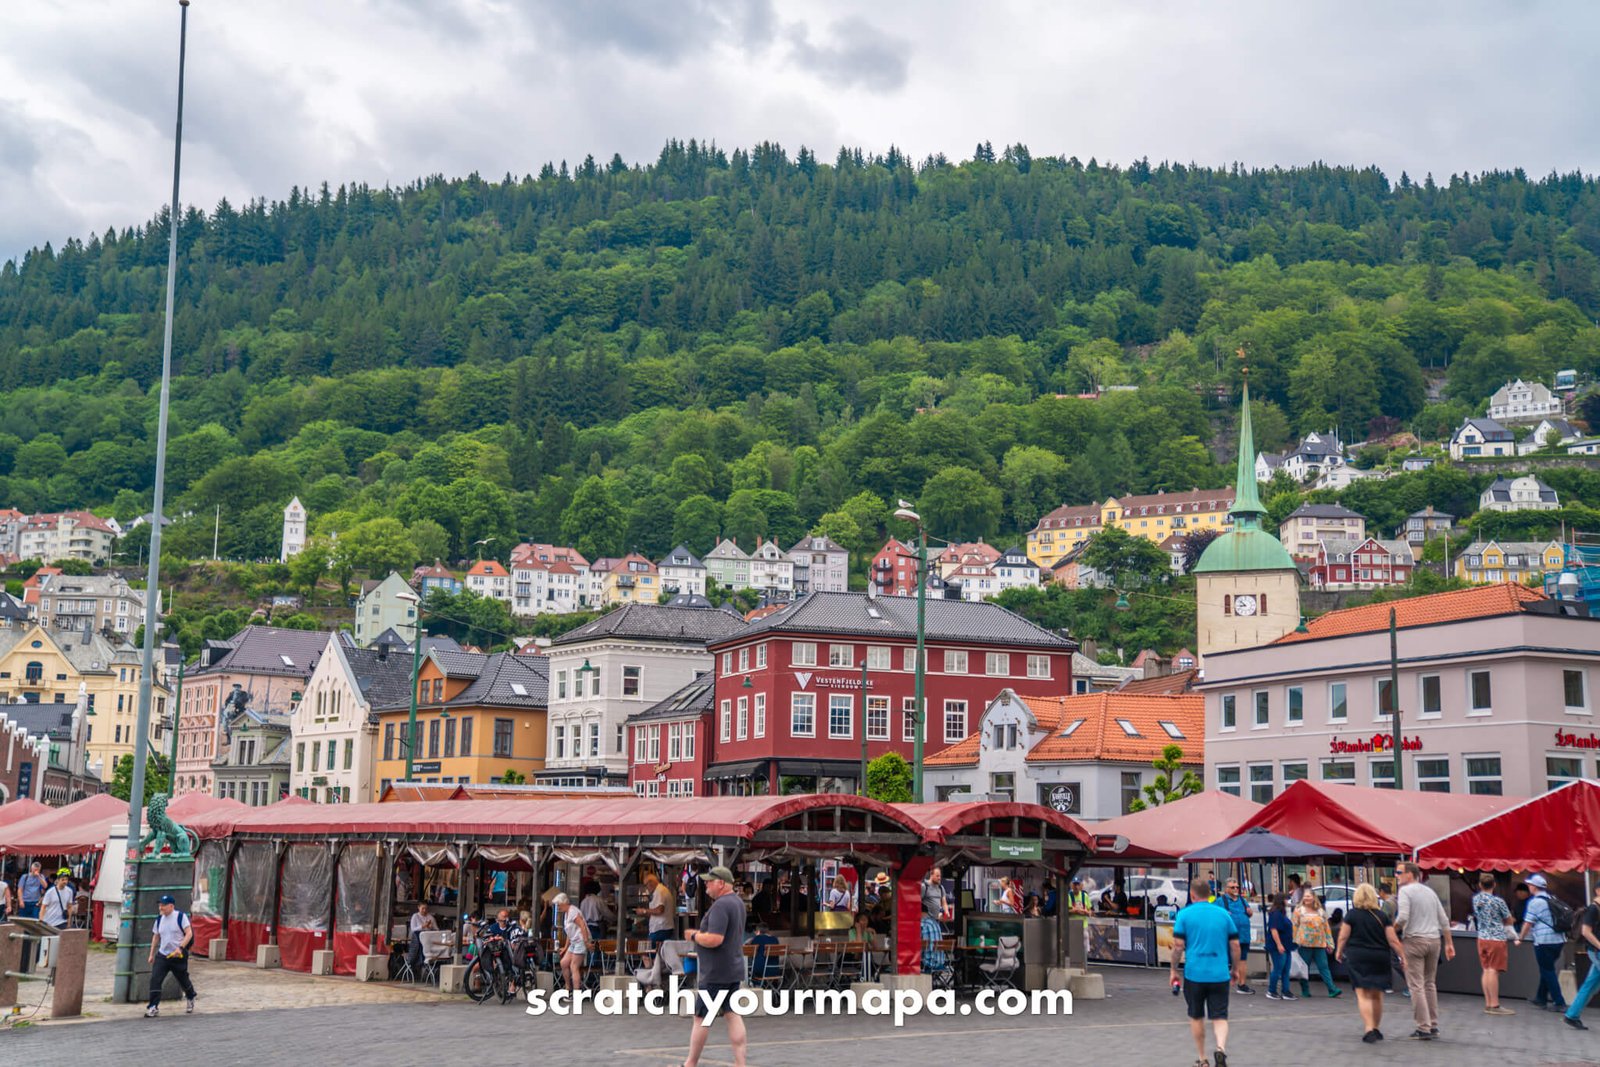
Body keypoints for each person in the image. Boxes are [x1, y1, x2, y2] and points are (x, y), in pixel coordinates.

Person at [682, 866, 748, 1067]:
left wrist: (694, 935)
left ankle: (690, 1063)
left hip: (716, 972)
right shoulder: (738, 903)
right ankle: (740, 1063)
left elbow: (715, 939)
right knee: (732, 1013)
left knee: (702, 1017)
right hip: (732, 968)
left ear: (721, 883)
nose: (706, 884)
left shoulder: (721, 906)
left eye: (710, 881)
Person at [1172, 876, 1240, 1067]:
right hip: (1219, 974)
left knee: (1196, 1016)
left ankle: (1202, 1059)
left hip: (1194, 974)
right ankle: (1220, 1049)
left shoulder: (1184, 915)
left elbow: (1178, 947)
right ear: (1210, 894)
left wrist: (1173, 971)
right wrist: (1235, 969)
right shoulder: (1223, 914)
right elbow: (1235, 945)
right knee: (1220, 1016)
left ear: (1192, 895)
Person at [1335, 883, 1405, 1044]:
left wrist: (1339, 951)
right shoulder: (1382, 916)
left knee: (1363, 994)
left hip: (1358, 956)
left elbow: (1343, 936)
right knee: (1377, 994)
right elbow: (1393, 940)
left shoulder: (1351, 915)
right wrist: (1403, 957)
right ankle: (1376, 1028)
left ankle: (1368, 1029)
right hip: (1380, 956)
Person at [1395, 860, 1454, 1039]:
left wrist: (1392, 928)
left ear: (1409, 875)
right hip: (1434, 940)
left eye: (1399, 873)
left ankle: (1423, 1026)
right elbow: (1444, 919)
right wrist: (1449, 943)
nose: (1396, 876)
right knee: (1429, 984)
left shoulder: (1405, 891)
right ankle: (1433, 1024)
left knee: (1416, 985)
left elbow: (1403, 917)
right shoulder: (1430, 892)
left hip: (1414, 940)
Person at [1516, 872, 1568, 1014]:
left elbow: (1527, 923)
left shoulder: (1534, 902)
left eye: (1530, 885)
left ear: (1534, 887)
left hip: (1544, 941)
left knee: (1547, 971)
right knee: (1547, 968)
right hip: (1559, 940)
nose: (1528, 887)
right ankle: (1541, 998)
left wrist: (1520, 938)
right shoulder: (1552, 898)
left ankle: (1559, 1002)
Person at [144, 894, 197, 1018]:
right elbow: (156, 936)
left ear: (171, 906)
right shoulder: (159, 919)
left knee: (182, 979)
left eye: (163, 905)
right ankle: (153, 1006)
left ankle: (190, 996)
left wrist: (181, 948)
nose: (160, 907)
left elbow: (189, 933)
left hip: (177, 955)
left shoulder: (180, 917)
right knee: (155, 979)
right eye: (160, 905)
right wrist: (151, 954)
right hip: (163, 955)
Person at [1471, 873, 1517, 1015]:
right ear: (1494, 885)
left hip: (1482, 937)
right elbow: (1508, 919)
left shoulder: (1476, 899)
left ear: (1480, 885)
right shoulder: (1498, 901)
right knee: (1493, 970)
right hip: (1496, 938)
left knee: (1486, 969)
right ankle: (1495, 1004)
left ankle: (1488, 1002)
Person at [1564, 882, 1600, 1030]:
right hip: (1597, 952)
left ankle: (1572, 1015)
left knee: (1591, 985)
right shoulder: (1593, 909)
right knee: (1591, 985)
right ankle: (1572, 1015)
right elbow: (1586, 931)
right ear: (1598, 890)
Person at [1292, 893, 1340, 999]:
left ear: (1314, 898)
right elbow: (1294, 926)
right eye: (1305, 896)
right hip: (1304, 944)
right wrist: (1294, 941)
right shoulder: (1299, 911)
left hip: (1320, 943)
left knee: (1324, 967)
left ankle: (1332, 989)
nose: (1307, 898)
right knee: (1304, 968)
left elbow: (1327, 928)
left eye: (1309, 896)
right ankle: (1305, 990)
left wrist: (1330, 943)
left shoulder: (1321, 912)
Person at [1219, 877, 1254, 994]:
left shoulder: (1242, 900)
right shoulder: (1221, 901)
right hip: (1230, 937)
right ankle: (1219, 984)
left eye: (1237, 887)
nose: (1236, 889)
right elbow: (1214, 916)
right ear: (1226, 888)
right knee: (1225, 960)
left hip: (1244, 935)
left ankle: (1242, 984)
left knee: (1243, 959)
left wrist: (1250, 913)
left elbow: (1249, 913)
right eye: (1232, 887)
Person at [553, 893, 590, 993]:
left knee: (574, 966)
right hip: (574, 941)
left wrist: (586, 941)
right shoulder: (566, 913)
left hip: (580, 940)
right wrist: (565, 947)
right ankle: (568, 988)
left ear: (564, 903)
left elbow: (582, 925)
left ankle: (576, 992)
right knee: (564, 963)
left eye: (559, 905)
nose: (558, 907)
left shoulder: (573, 911)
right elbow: (569, 932)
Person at [1264, 895, 1296, 1001]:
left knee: (1286, 970)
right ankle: (1271, 990)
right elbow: (1274, 930)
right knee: (1278, 969)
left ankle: (1285, 991)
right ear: (1282, 900)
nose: (1288, 901)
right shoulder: (1276, 914)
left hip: (1286, 945)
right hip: (1278, 946)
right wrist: (1279, 944)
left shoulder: (1281, 913)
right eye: (1287, 899)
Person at [640, 871, 676, 953]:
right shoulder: (662, 890)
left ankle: (651, 965)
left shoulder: (659, 892)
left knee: (647, 953)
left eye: (646, 885)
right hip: (663, 928)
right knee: (660, 953)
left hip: (660, 929)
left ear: (651, 883)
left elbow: (660, 909)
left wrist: (644, 911)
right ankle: (657, 965)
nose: (647, 888)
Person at [405, 900, 438, 976]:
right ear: (418, 908)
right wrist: (422, 926)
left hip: (429, 939)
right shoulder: (415, 916)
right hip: (417, 939)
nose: (424, 910)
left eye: (426, 908)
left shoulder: (430, 917)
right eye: (423, 908)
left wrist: (431, 927)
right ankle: (420, 962)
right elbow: (413, 929)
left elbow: (437, 930)